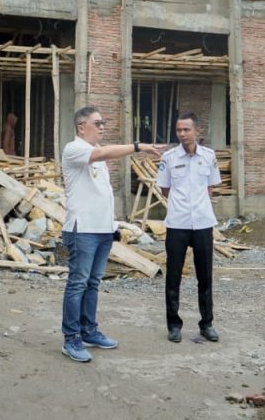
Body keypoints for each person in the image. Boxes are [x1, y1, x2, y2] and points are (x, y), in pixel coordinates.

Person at [59, 106, 161, 362]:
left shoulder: (98, 157)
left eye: (103, 123)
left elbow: (100, 194)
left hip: (102, 230)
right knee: (78, 283)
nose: (102, 127)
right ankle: (71, 338)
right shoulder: (74, 149)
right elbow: (102, 153)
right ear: (81, 127)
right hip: (83, 230)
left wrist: (112, 226)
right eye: (98, 123)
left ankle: (89, 331)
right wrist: (137, 146)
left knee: (93, 283)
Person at [156, 113, 222, 343]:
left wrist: (198, 206)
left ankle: (207, 324)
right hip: (177, 223)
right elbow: (165, 189)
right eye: (179, 130)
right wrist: (182, 205)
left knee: (205, 277)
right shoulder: (169, 158)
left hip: (203, 223)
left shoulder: (209, 156)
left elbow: (210, 187)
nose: (182, 134)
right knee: (173, 276)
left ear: (197, 131)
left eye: (186, 130)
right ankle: (174, 325)